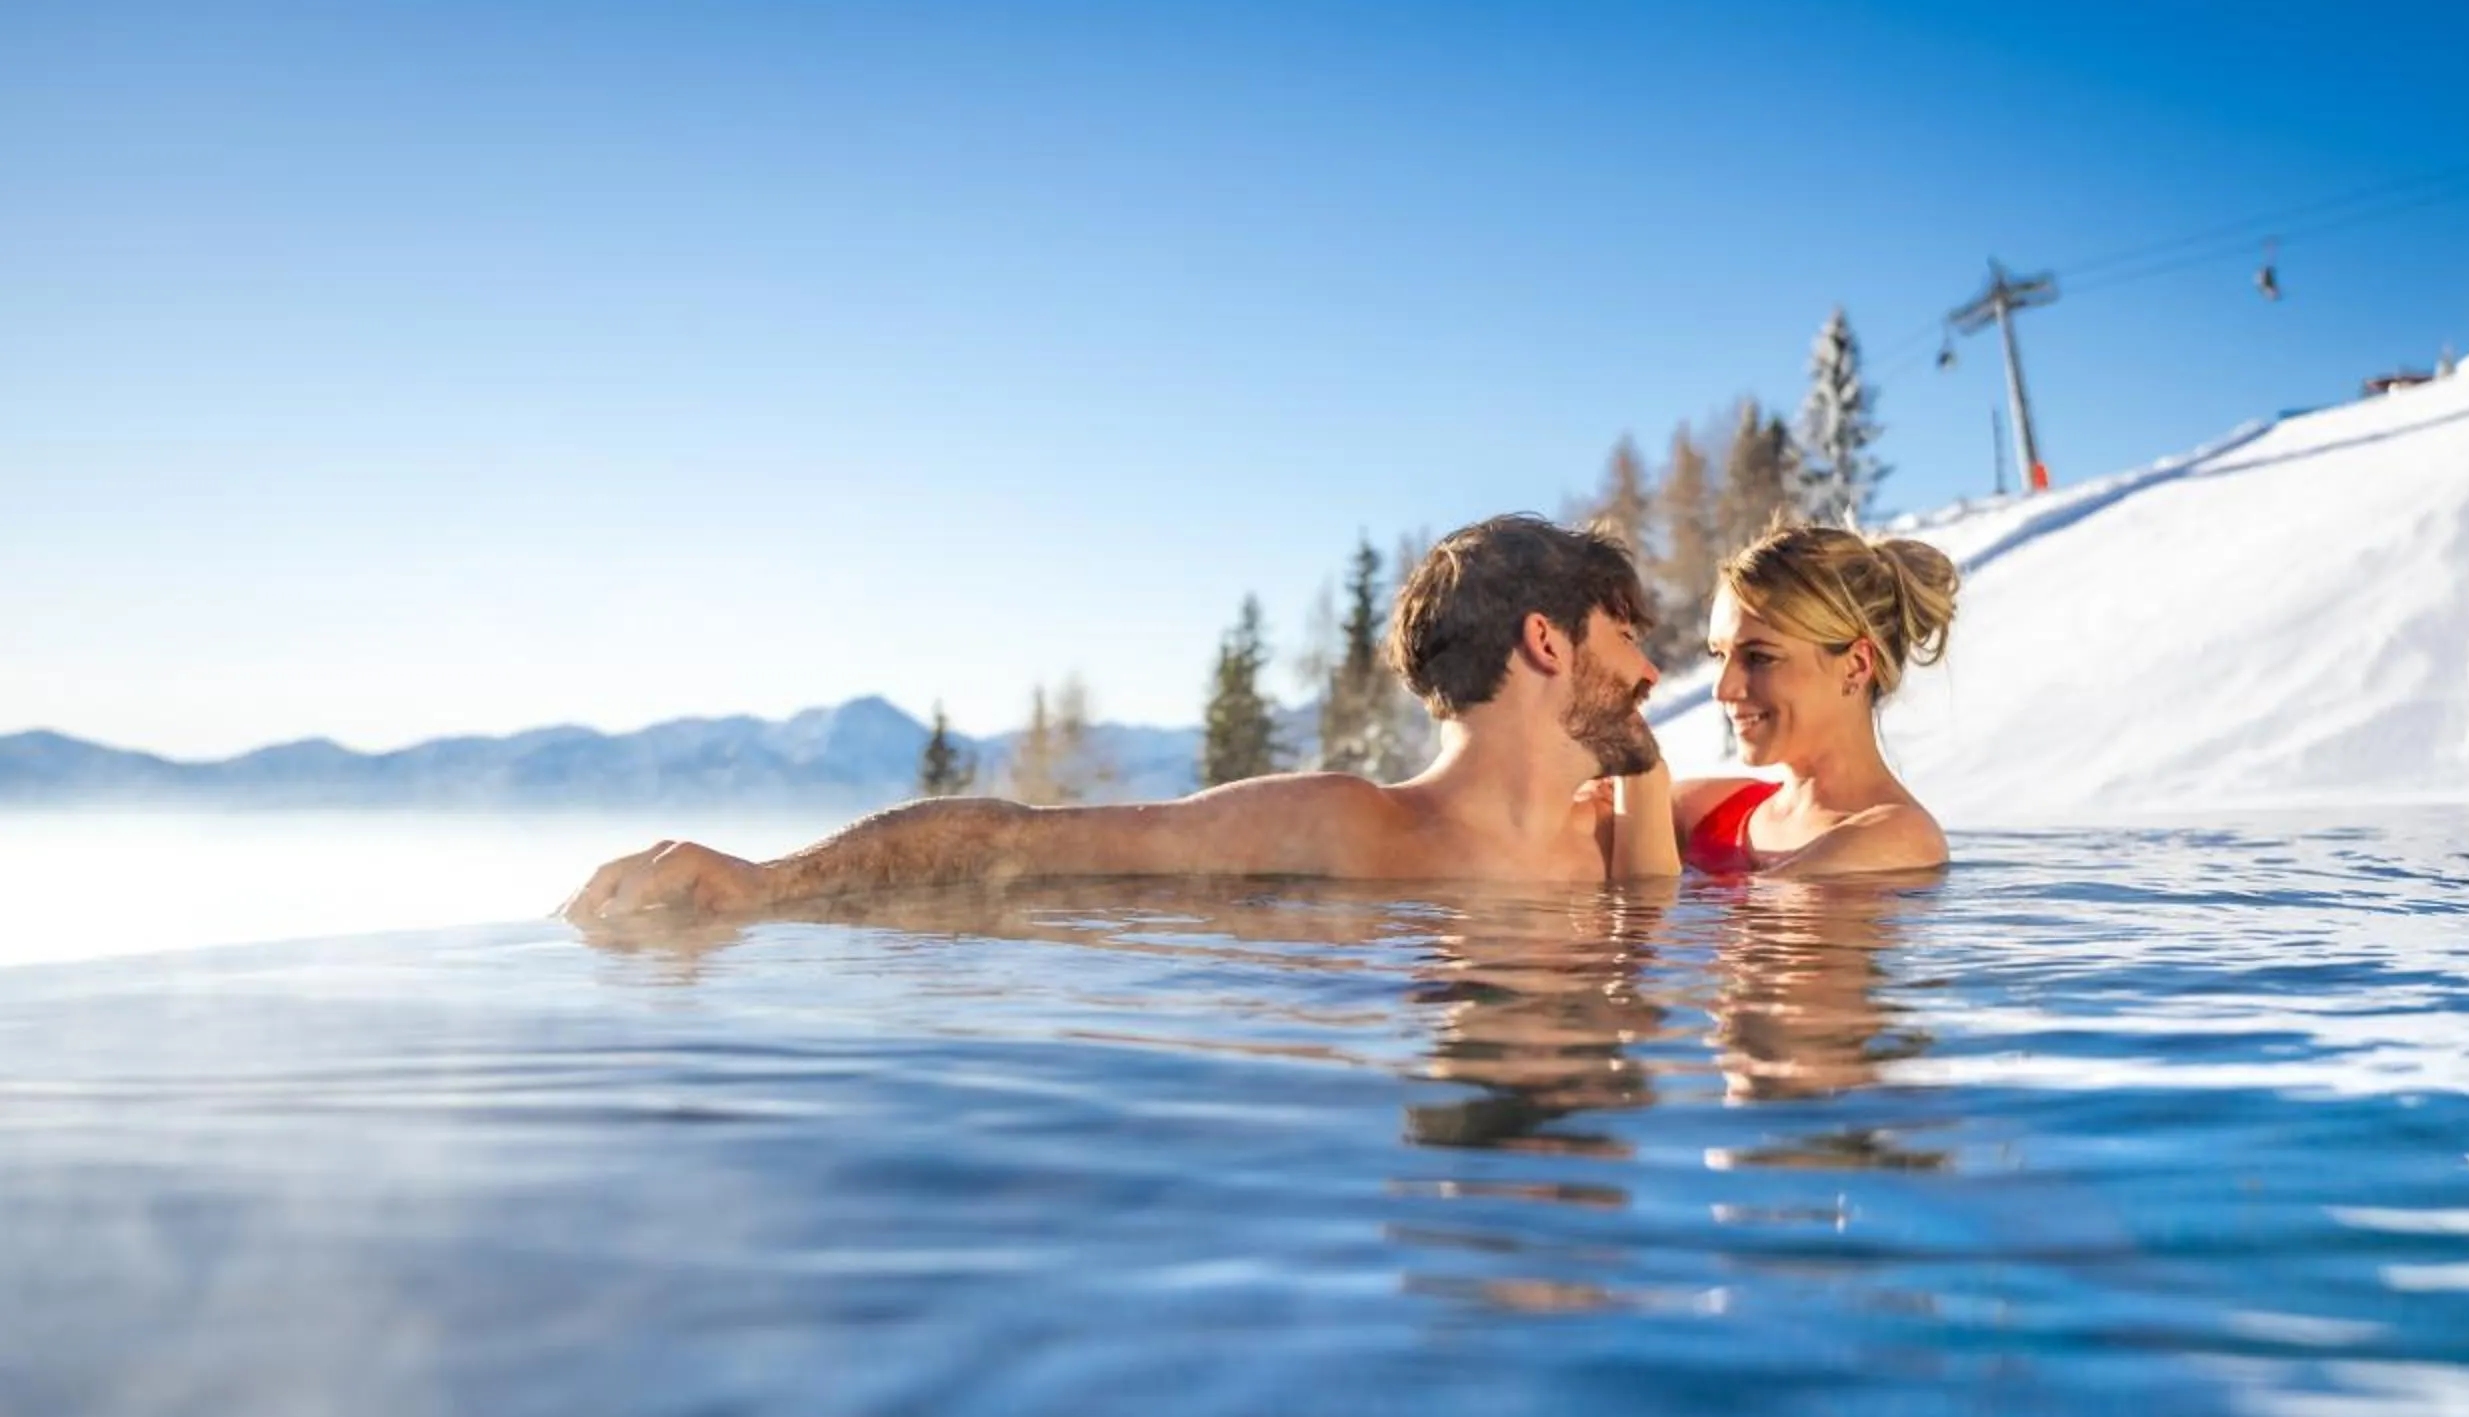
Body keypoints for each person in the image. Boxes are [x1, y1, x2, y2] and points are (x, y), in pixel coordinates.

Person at [561, 515, 1669, 924]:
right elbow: (1020, 846)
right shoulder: (1353, 828)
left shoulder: (1628, 840)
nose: (1653, 670)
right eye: (1626, 636)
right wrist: (769, 885)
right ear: (1546, 642)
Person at [1649, 521, 1961, 878]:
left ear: (1856, 666)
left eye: (1759, 657)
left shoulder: (1903, 837)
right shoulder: (1698, 812)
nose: (1722, 690)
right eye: (1719, 656)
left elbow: (1759, 908)